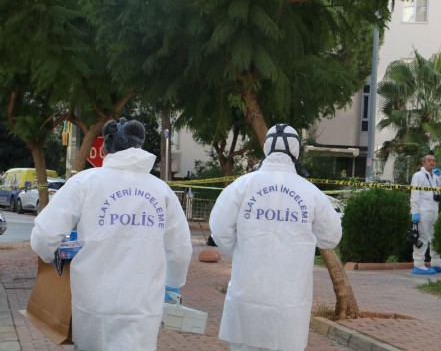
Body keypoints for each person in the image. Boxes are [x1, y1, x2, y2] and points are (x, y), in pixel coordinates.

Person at [30, 118, 192, 351]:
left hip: (94, 302)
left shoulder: (84, 182)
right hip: (143, 305)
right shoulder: (161, 191)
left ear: (106, 147)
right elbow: (180, 249)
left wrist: (51, 257)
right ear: (140, 145)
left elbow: (44, 235)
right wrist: (173, 284)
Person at [209, 123, 342, 351]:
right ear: (296, 151)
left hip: (247, 296)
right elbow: (331, 237)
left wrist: (241, 248)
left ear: (266, 148)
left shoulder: (242, 186)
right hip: (289, 304)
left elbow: (219, 230)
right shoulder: (311, 193)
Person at [409, 154, 441, 274]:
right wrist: (415, 212)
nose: (432, 162)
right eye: (429, 160)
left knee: (435, 237)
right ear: (423, 162)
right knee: (422, 237)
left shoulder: (436, 176)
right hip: (422, 212)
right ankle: (419, 265)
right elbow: (414, 195)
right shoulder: (418, 175)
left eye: (433, 160)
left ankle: (436, 263)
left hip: (434, 211)